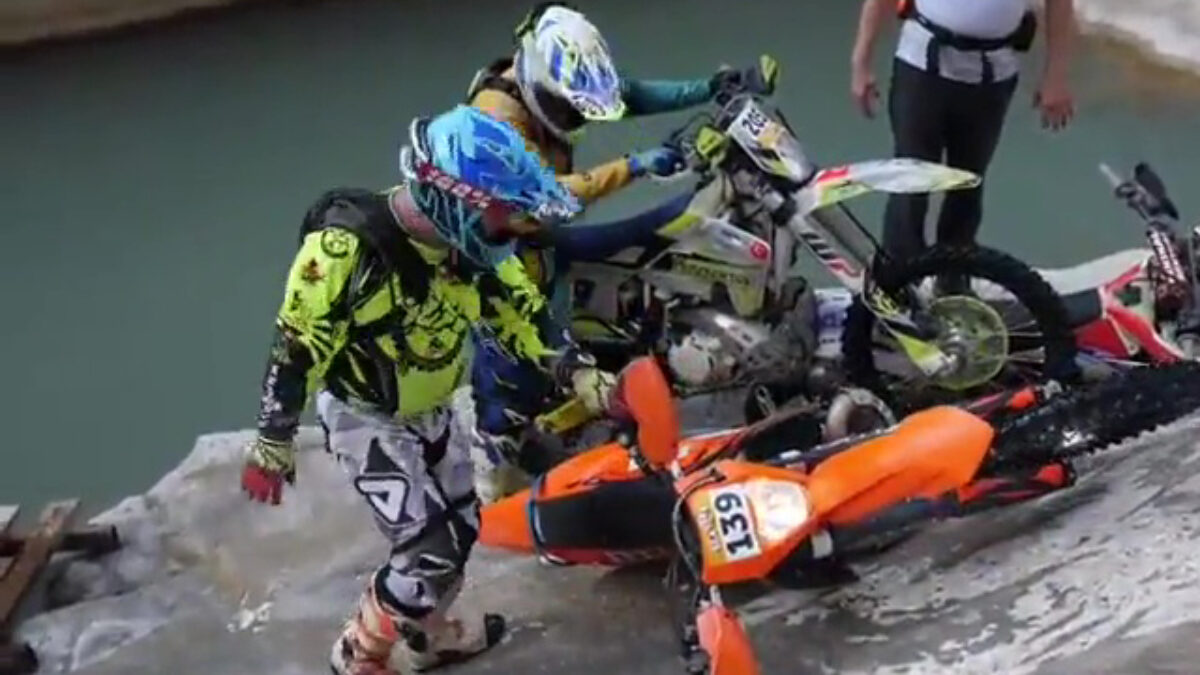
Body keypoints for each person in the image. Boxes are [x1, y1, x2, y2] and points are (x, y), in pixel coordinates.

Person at [238, 104, 615, 675]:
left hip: (435, 408)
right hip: (367, 416)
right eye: (503, 212)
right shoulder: (345, 254)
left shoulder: (474, 250)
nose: (514, 226)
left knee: (462, 529)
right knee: (427, 551)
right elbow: (296, 348)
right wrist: (273, 443)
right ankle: (358, 656)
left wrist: (582, 375)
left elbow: (525, 316)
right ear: (456, 200)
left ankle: (426, 637)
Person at [466, 1, 780, 501]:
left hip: (538, 229)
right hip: (500, 242)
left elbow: (626, 97)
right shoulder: (495, 121)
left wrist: (710, 87)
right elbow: (545, 196)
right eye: (571, 110)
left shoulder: (552, 81)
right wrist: (635, 166)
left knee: (649, 244)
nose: (576, 117)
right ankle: (495, 453)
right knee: (518, 347)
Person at [849, 0, 1076, 282]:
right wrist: (861, 61)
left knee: (968, 182)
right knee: (910, 180)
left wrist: (1056, 75)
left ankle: (953, 280)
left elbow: (1060, 4)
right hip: (921, 65)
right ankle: (899, 279)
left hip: (992, 75)